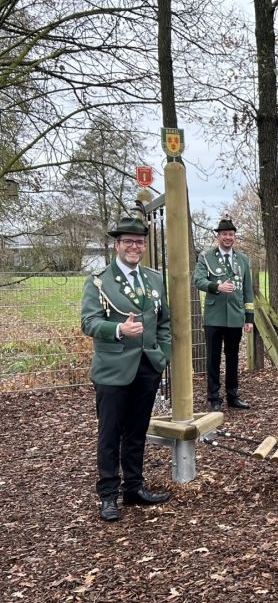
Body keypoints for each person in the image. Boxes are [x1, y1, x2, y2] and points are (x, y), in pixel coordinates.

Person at [81, 215, 172, 522]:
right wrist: (119, 329)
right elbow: (89, 322)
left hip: (147, 367)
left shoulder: (154, 279)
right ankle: (108, 495)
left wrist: (163, 355)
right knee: (110, 433)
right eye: (129, 242)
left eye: (140, 242)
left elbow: (164, 322)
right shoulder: (99, 281)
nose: (135, 247)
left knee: (136, 431)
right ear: (117, 245)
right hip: (113, 369)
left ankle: (133, 488)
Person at [194, 217, 254, 411]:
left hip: (235, 316)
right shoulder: (206, 257)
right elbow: (198, 280)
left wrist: (249, 318)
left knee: (233, 358)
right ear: (218, 236)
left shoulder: (242, 259)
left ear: (234, 237)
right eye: (224, 234)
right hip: (214, 316)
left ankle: (232, 395)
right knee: (213, 358)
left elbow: (247, 291)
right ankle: (213, 397)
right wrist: (216, 286)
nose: (228, 237)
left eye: (231, 234)